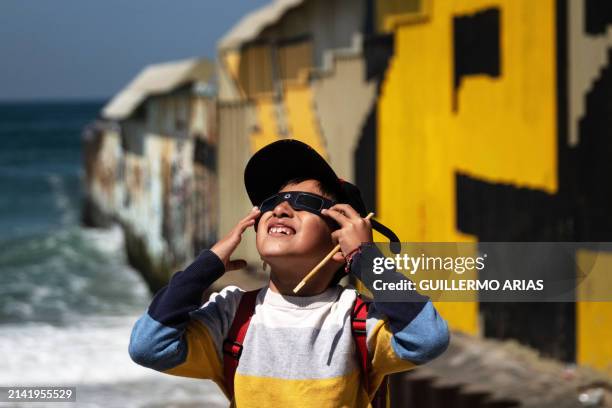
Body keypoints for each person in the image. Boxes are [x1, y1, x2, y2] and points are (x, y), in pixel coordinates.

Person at [128, 139, 450, 407]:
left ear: (340, 241)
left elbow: (426, 339)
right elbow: (149, 346)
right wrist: (205, 267)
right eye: (272, 201)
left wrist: (366, 259)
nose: (281, 209)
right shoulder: (232, 315)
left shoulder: (359, 320)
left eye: (304, 202)